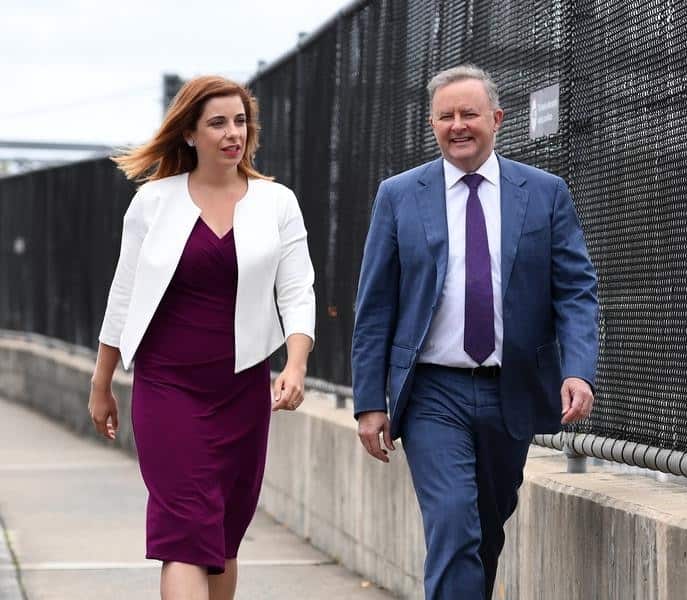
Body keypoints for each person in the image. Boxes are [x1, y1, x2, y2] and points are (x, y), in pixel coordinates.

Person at [351, 65, 599, 599]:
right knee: (453, 527)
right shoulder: (399, 196)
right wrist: (370, 399)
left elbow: (576, 292)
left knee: (485, 533)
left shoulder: (544, 193)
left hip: (511, 390)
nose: (457, 125)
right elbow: (374, 306)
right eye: (445, 116)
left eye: (469, 114)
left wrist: (578, 370)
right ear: (433, 124)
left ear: (496, 119)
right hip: (431, 393)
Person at [88, 75, 315, 600]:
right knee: (186, 534)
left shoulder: (276, 202)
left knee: (222, 541)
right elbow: (122, 297)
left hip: (242, 390)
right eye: (218, 123)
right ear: (189, 133)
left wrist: (296, 364)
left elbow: (298, 291)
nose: (233, 133)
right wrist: (102, 383)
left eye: (240, 121)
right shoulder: (152, 203)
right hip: (167, 386)